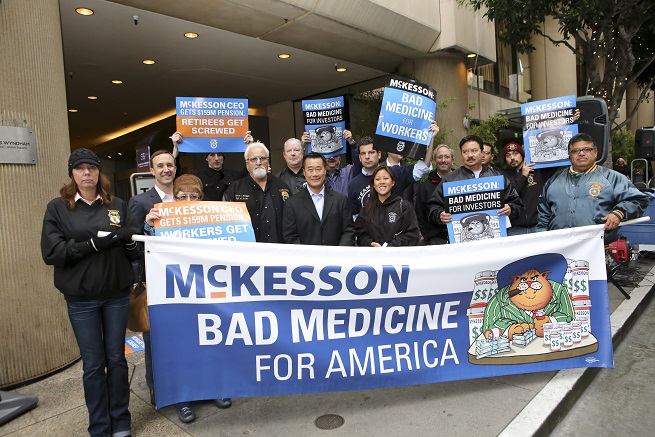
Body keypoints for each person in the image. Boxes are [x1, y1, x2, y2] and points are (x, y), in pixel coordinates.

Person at [41, 148, 141, 437]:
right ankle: (99, 426)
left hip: (116, 296)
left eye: (92, 168)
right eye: (80, 168)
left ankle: (120, 421)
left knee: (117, 359)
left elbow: (133, 251)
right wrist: (92, 245)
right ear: (72, 173)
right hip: (82, 300)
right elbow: (52, 252)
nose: (87, 173)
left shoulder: (117, 205)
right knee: (94, 365)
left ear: (99, 172)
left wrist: (130, 242)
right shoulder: (58, 208)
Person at [143, 174, 232, 423]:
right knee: (181, 346)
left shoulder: (212, 218)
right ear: (175, 197)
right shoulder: (163, 219)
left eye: (194, 196)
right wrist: (149, 225)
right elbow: (148, 244)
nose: (189, 201)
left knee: (209, 341)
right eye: (183, 196)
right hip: (177, 293)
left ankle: (213, 389)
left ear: (201, 198)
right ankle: (183, 399)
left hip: (207, 291)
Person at [127, 149, 176, 409]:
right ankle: (157, 387)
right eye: (160, 165)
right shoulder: (140, 202)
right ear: (152, 171)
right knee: (155, 338)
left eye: (170, 164)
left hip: (184, 280)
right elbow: (132, 246)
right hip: (156, 280)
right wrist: (147, 226)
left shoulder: (185, 199)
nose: (166, 169)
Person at [537, 133, 650, 243]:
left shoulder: (612, 178)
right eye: (575, 151)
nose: (581, 153)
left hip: (597, 245)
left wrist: (619, 213)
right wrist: (542, 241)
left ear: (595, 153)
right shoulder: (554, 180)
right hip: (560, 245)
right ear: (569, 155)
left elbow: (638, 200)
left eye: (587, 149)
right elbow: (543, 215)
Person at [427, 135, 524, 231]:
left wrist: (511, 209)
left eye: (474, 151)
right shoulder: (450, 180)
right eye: (465, 152)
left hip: (495, 236)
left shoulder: (497, 177)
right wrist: (440, 215)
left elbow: (517, 204)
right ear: (461, 155)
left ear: (482, 153)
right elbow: (433, 207)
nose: (470, 155)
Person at [348, 121, 439, 218]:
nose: (367, 157)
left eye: (371, 152)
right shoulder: (353, 184)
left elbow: (423, 167)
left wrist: (430, 138)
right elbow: (355, 217)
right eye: (363, 153)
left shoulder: (395, 172)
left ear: (379, 154)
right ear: (359, 157)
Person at [223, 142, 291, 242]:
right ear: (247, 163)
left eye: (262, 158)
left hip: (278, 248)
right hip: (249, 248)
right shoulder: (235, 188)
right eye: (253, 159)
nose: (258, 162)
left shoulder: (281, 186)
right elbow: (226, 221)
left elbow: (290, 220)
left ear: (268, 161)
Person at [283, 153, 355, 245]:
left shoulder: (340, 200)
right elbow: (290, 236)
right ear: (304, 172)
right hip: (305, 254)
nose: (315, 174)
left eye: (318, 169)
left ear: (325, 170)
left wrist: (338, 251)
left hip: (336, 253)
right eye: (310, 169)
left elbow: (349, 231)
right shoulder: (292, 204)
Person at [355, 166, 421, 246]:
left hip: (398, 253)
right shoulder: (366, 208)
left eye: (386, 178)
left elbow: (413, 235)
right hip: (373, 253)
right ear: (373, 184)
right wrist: (370, 243)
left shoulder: (404, 206)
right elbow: (360, 235)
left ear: (393, 182)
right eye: (378, 179)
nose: (382, 182)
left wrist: (391, 246)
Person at [170, 131, 243, 201]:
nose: (216, 158)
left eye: (219, 155)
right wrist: (176, 148)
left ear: (223, 158)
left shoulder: (233, 174)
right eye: (212, 155)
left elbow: (248, 176)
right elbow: (177, 176)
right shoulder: (196, 175)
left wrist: (248, 145)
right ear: (206, 158)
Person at [501, 142, 548, 236]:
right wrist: (523, 176)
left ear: (522, 155)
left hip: (539, 225)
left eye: (515, 153)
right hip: (515, 228)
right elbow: (511, 194)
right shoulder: (504, 176)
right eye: (508, 155)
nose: (512, 158)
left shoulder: (538, 170)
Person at [415, 144, 455, 244]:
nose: (443, 160)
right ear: (434, 161)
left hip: (460, 235)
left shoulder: (462, 181)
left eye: (447, 157)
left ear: (452, 161)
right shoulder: (425, 186)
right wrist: (427, 237)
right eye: (440, 157)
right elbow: (419, 214)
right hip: (435, 239)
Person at [322, 130, 362, 196]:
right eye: (328, 155)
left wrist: (352, 143)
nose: (331, 157)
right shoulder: (319, 175)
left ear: (339, 159)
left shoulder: (348, 171)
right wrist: (303, 146)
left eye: (335, 155)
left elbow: (359, 163)